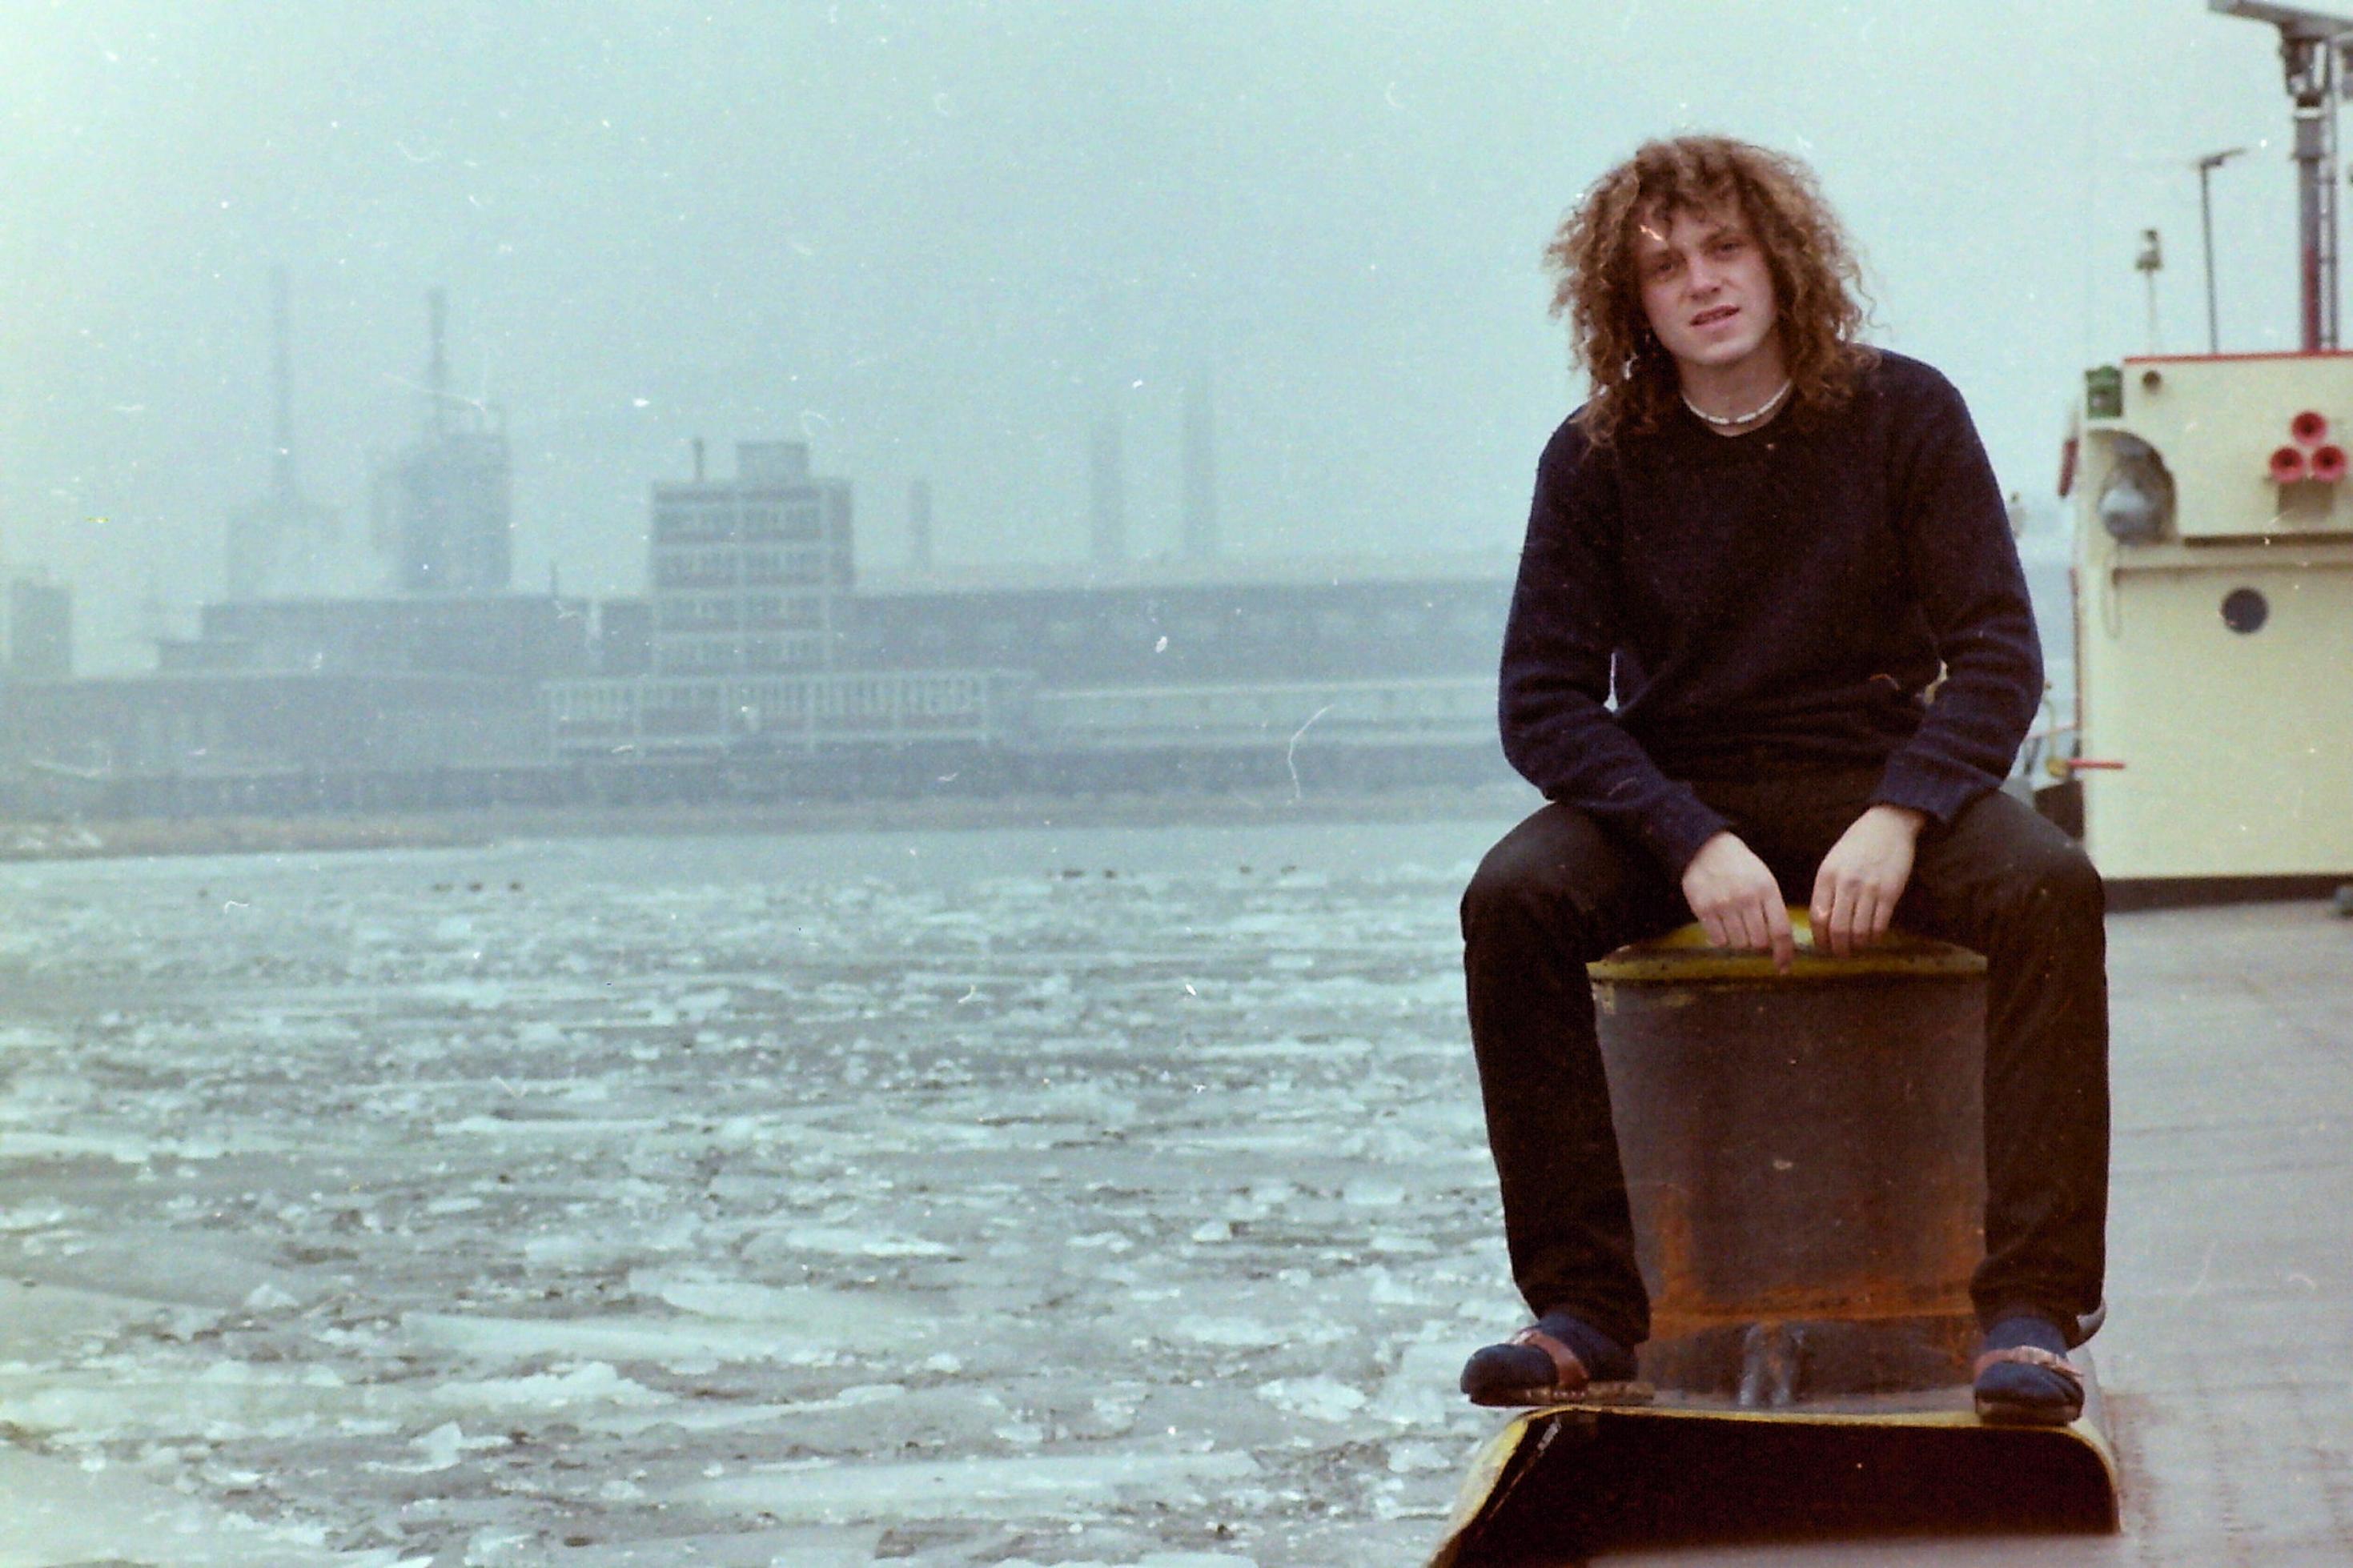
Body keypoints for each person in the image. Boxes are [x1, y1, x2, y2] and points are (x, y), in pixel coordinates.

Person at [1455, 134, 2109, 1426]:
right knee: (1511, 902)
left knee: (2051, 887)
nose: (1700, 282)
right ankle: (1587, 1310)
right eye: (1663, 268)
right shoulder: (1594, 456)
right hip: (1682, 792)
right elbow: (1541, 700)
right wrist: (1686, 836)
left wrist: (1904, 809)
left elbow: (1995, 651)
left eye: (1723, 249)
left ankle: (2030, 1311)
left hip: (1872, 776)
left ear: (1779, 258)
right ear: (1627, 301)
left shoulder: (1902, 410)